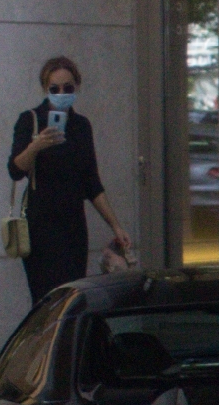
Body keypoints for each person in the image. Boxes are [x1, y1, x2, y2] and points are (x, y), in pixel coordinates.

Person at [8, 56, 132, 306]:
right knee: (46, 300)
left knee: (73, 298)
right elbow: (15, 170)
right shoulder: (30, 120)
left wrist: (115, 226)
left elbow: (92, 182)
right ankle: (46, 344)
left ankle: (65, 345)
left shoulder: (81, 126)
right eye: (55, 89)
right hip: (40, 225)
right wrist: (35, 146)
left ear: (76, 87)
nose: (62, 93)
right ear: (45, 88)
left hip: (73, 225)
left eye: (68, 88)